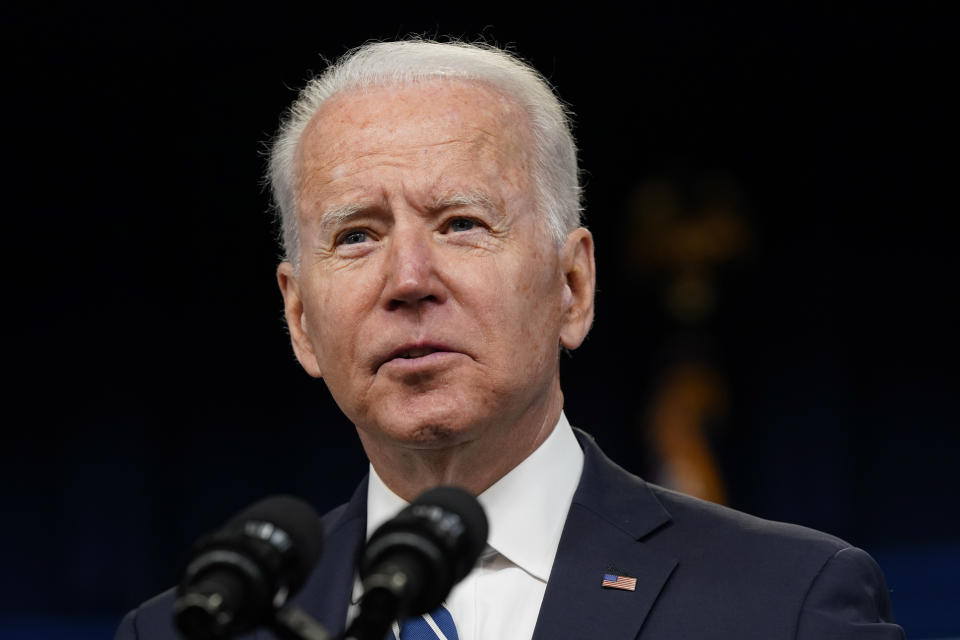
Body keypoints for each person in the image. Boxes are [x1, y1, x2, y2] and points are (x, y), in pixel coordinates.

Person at [116, 40, 904, 639]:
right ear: (300, 322)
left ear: (573, 286)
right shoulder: (195, 626)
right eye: (357, 235)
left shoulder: (786, 601)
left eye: (461, 223)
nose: (409, 278)